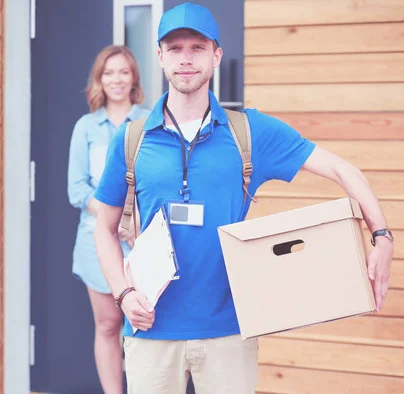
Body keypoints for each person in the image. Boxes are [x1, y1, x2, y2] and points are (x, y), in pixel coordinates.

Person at [93, 3, 394, 393]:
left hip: (230, 331)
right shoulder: (131, 139)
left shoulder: (250, 132)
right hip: (150, 329)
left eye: (197, 48)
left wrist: (382, 237)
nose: (186, 59)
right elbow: (103, 228)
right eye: (176, 48)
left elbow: (343, 170)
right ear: (160, 56)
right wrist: (123, 292)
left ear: (216, 55)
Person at [67, 45, 150, 394]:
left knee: (145, 325)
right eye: (109, 73)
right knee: (108, 323)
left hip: (143, 240)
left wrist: (135, 222)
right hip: (95, 240)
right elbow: (77, 190)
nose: (116, 79)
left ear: (134, 79)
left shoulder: (150, 122)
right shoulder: (86, 127)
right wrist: (115, 218)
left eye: (123, 72)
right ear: (100, 80)